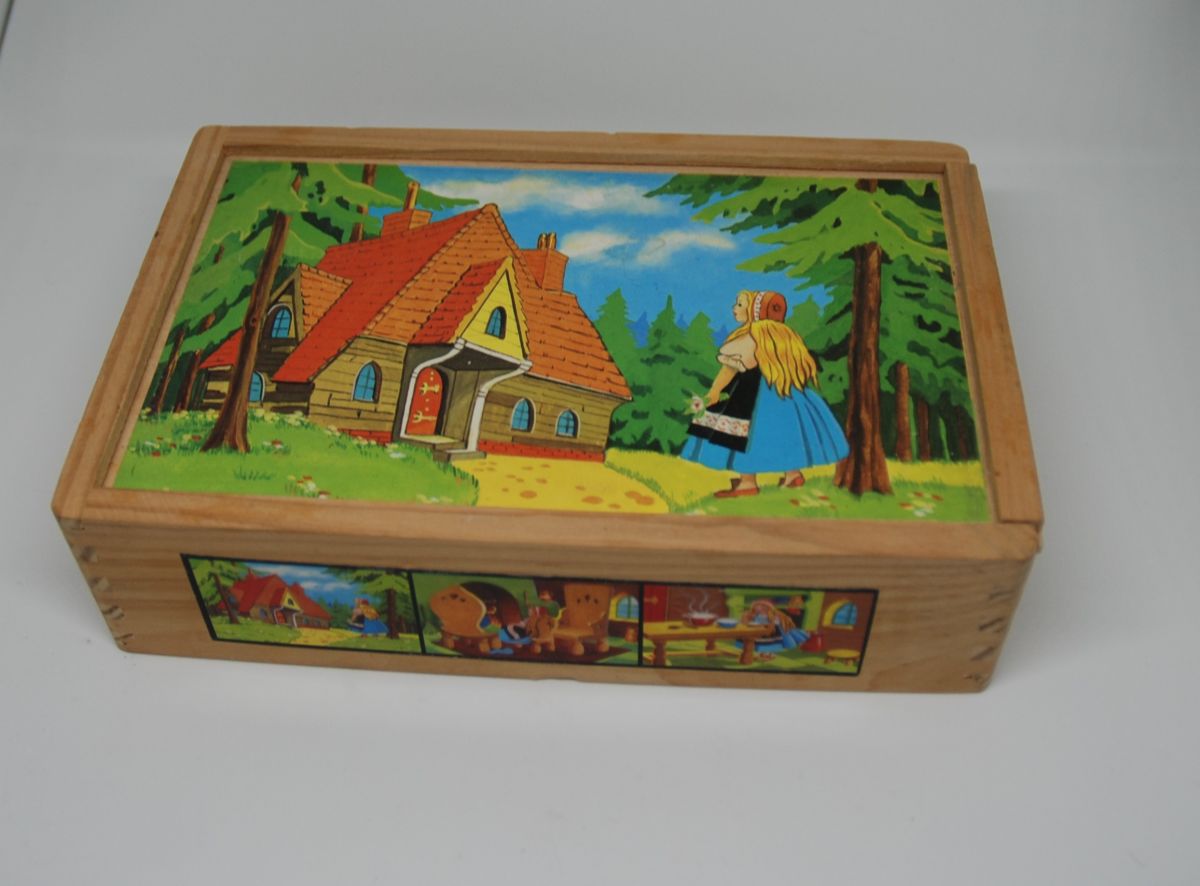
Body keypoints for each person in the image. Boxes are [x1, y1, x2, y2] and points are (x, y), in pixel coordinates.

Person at [683, 290, 849, 497]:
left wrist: (714, 391)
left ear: (756, 311)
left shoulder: (751, 337)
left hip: (751, 394)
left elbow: (729, 370)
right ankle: (793, 475)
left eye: (740, 305)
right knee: (787, 432)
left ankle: (747, 484)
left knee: (746, 436)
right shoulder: (783, 336)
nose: (734, 308)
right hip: (784, 392)